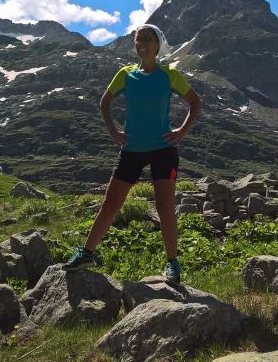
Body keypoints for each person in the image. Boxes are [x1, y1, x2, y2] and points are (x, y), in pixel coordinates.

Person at [62, 23, 201, 285]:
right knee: (110, 204)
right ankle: (87, 254)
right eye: (138, 39)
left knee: (164, 206)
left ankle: (172, 263)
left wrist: (182, 131)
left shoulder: (170, 75)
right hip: (131, 150)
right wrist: (113, 131)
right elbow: (105, 102)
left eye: (147, 39)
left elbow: (195, 102)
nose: (142, 44)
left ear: (158, 45)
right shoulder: (125, 74)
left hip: (163, 150)